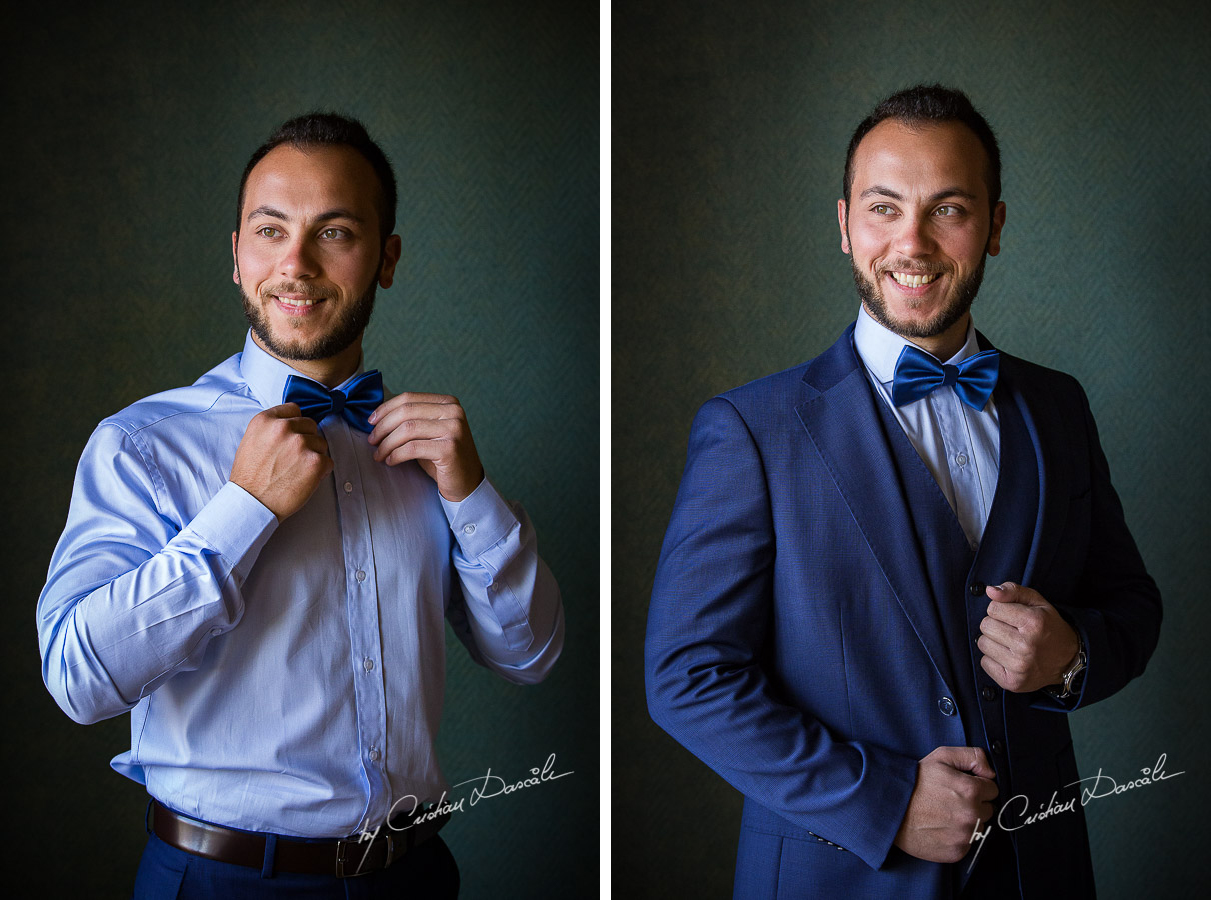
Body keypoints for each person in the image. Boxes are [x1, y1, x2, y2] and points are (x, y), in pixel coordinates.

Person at [645, 85, 1161, 899]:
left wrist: (1073, 657)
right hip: (837, 875)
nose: (910, 244)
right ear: (844, 222)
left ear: (993, 227)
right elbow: (686, 676)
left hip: (1040, 873)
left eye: (947, 209)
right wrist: (880, 802)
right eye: (884, 208)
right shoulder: (751, 428)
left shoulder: (1056, 407)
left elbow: (1131, 603)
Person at [37, 112, 564, 899]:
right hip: (220, 881)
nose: (296, 263)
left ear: (386, 258)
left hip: (412, 878)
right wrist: (243, 508)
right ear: (237, 255)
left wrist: (471, 492)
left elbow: (530, 655)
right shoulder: (142, 443)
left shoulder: (424, 455)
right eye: (270, 230)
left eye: (336, 232)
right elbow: (77, 679)